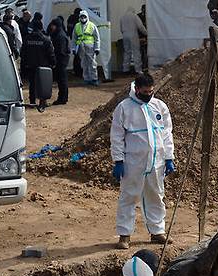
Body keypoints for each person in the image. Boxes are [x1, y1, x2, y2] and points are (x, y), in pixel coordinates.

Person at [110, 73, 176, 249]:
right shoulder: (124, 108)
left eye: (151, 91)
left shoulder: (159, 106)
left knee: (155, 195)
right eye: (145, 92)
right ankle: (124, 235)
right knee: (129, 196)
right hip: (133, 162)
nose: (149, 94)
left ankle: (157, 232)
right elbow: (117, 136)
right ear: (137, 89)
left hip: (157, 161)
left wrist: (169, 157)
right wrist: (118, 160)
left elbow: (166, 134)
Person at [20, 19, 55, 109]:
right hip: (43, 66)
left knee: (32, 83)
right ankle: (42, 102)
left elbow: (23, 52)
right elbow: (50, 53)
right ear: (41, 27)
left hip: (31, 65)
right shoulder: (46, 39)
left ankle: (32, 101)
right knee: (43, 84)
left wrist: (25, 63)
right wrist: (53, 63)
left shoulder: (27, 39)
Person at [73, 10, 101, 86]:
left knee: (92, 63)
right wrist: (73, 48)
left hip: (90, 47)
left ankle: (94, 79)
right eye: (82, 17)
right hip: (81, 47)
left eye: (84, 16)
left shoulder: (92, 25)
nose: (83, 18)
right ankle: (87, 79)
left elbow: (97, 38)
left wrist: (97, 48)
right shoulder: (77, 26)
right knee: (84, 63)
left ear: (87, 17)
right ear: (79, 17)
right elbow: (74, 38)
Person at [48, 17, 70, 105]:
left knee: (62, 80)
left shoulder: (60, 36)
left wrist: (55, 60)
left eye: (53, 25)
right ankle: (62, 97)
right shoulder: (59, 34)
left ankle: (62, 98)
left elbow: (61, 51)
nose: (51, 27)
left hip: (61, 61)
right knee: (61, 80)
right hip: (61, 60)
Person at [120, 9, 147, 74]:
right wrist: (146, 33)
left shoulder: (122, 17)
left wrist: (124, 33)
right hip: (133, 35)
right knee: (136, 52)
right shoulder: (135, 16)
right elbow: (140, 27)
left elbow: (121, 28)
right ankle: (138, 70)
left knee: (127, 52)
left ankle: (125, 69)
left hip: (125, 35)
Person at [67, 8, 83, 77]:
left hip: (73, 39)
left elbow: (69, 28)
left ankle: (77, 70)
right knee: (79, 56)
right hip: (79, 39)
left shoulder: (70, 18)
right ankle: (78, 71)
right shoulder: (78, 19)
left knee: (76, 56)